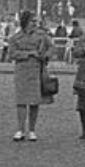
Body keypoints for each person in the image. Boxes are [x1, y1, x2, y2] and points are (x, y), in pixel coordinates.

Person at [5, 11, 52, 141]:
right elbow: (11, 54)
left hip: (37, 71)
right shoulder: (15, 38)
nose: (35, 24)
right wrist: (30, 53)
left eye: (36, 21)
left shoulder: (42, 36)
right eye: (32, 21)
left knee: (34, 102)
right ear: (25, 22)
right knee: (21, 101)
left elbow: (51, 47)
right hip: (22, 71)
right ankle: (20, 129)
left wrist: (46, 55)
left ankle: (32, 130)